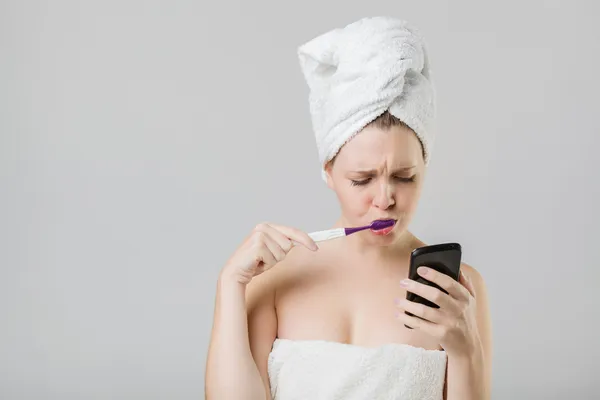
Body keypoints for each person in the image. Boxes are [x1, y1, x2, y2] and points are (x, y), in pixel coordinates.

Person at [205, 16, 492, 400]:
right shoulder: (273, 280)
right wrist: (230, 285)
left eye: (405, 177)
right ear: (328, 171)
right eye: (362, 179)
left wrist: (465, 350)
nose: (385, 198)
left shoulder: (456, 292)